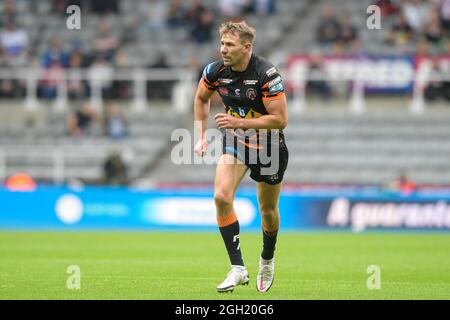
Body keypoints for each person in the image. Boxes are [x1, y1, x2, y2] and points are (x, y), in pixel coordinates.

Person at [193, 21, 288, 293]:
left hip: (269, 148)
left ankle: (267, 260)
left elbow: (280, 120)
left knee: (268, 211)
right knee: (221, 197)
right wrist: (200, 135)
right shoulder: (215, 71)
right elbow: (201, 98)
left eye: (229, 45)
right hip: (236, 143)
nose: (223, 49)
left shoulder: (266, 74)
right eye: (222, 43)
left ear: (246, 47)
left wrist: (241, 123)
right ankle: (238, 268)